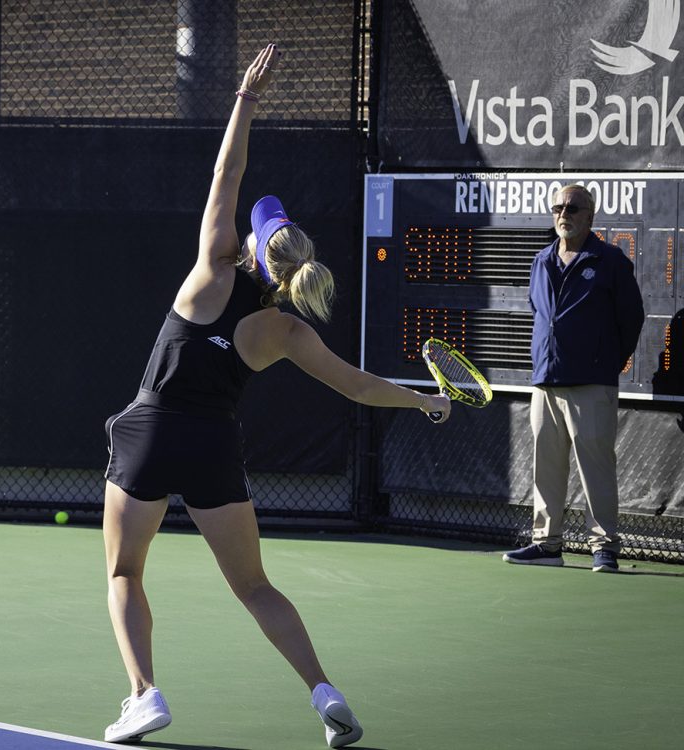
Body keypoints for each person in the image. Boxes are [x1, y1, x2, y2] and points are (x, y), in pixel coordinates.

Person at [100, 44, 450, 748]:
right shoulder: (287, 330)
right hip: (213, 448)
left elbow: (228, 173)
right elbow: (355, 385)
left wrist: (246, 100)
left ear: (252, 247)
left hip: (151, 430)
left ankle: (143, 695)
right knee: (255, 587)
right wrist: (419, 401)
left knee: (124, 571)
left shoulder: (212, 270)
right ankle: (325, 693)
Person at [503, 185, 645, 573]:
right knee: (545, 467)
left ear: (590, 216)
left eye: (573, 207)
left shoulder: (611, 261)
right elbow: (540, 312)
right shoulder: (541, 260)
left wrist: (605, 362)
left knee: (596, 467)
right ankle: (546, 545)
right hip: (545, 381)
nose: (564, 213)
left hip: (591, 384)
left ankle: (604, 547)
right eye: (558, 207)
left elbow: (631, 318)